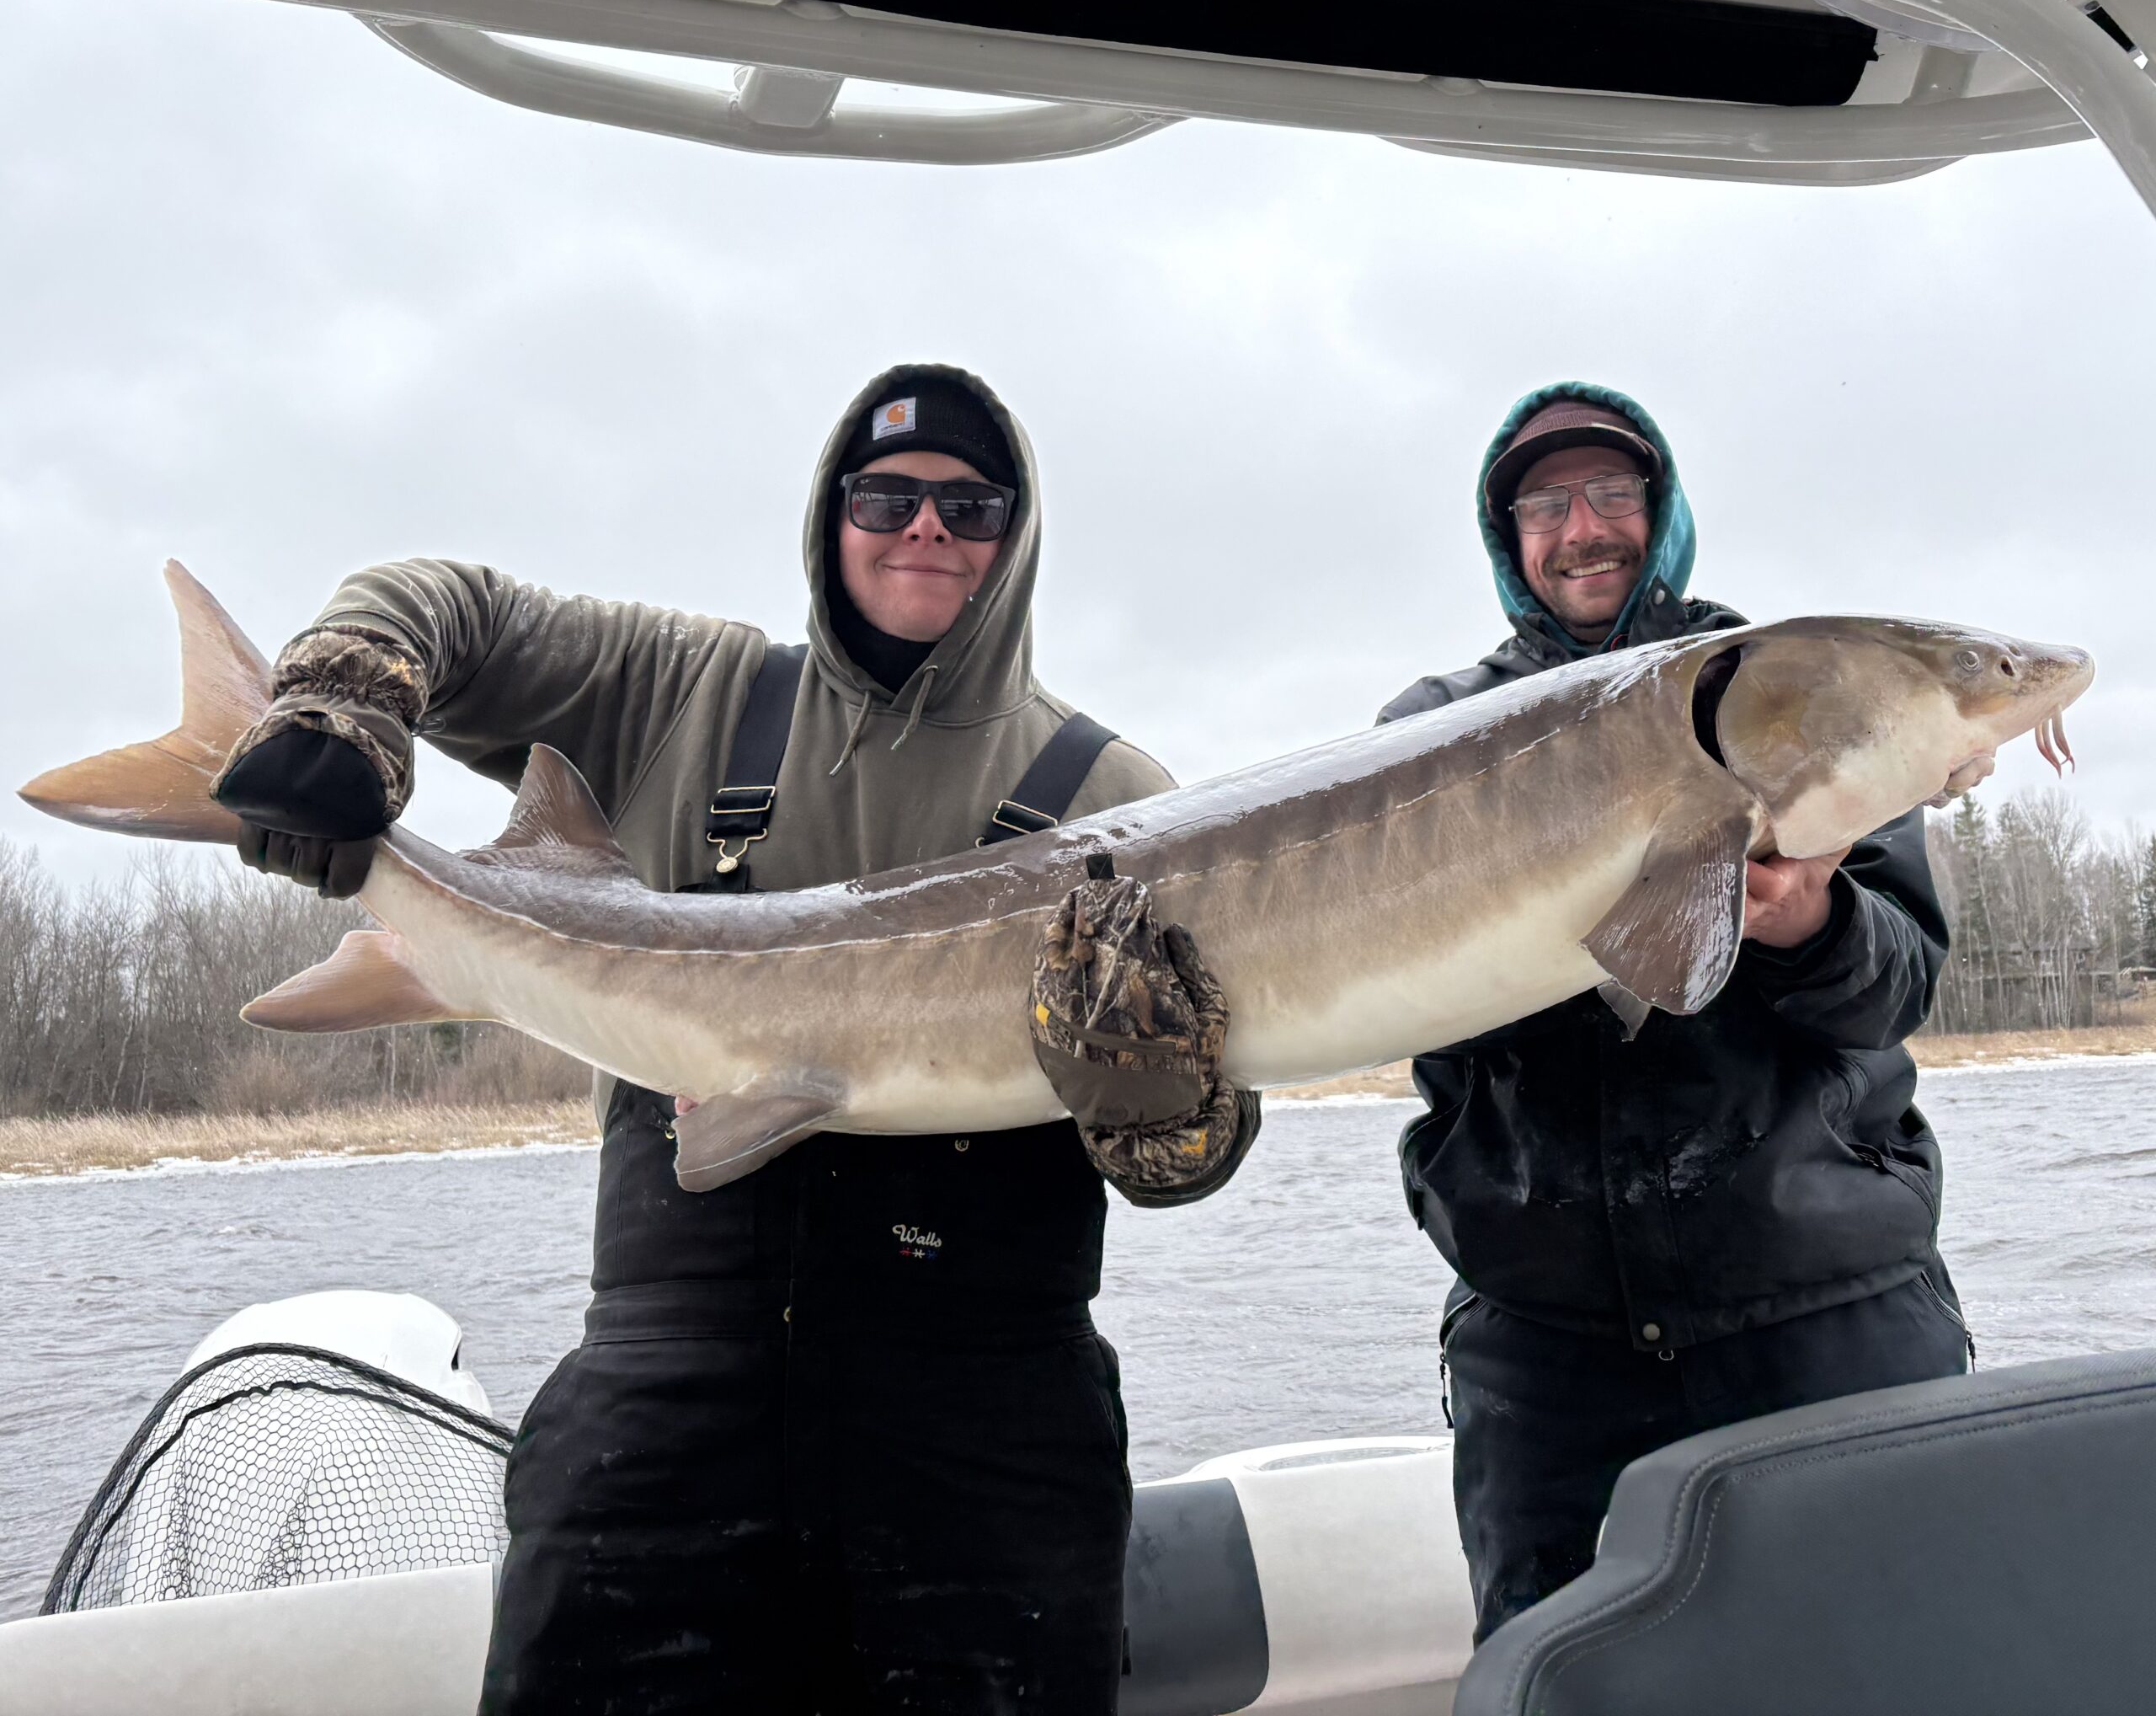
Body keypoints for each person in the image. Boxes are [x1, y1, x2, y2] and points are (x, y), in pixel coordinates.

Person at [212, 366, 1257, 1714]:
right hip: (666, 1412)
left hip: (990, 1438)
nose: (924, 527)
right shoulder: (681, 690)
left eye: (969, 503)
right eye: (885, 496)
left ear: (1018, 533)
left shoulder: (1121, 803)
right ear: (832, 519)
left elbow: (1189, 1161)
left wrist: (1166, 1105)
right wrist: (340, 697)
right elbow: (447, 604)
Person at [1379, 383, 1969, 1645]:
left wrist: (1807, 919)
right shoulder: (1431, 733)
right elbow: (1414, 1018)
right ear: (1509, 539)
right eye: (1544, 502)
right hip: (1547, 1356)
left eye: (1611, 493)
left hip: (1824, 1315)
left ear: (1664, 510)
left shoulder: (1800, 690)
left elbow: (1904, 982)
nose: (1582, 527)